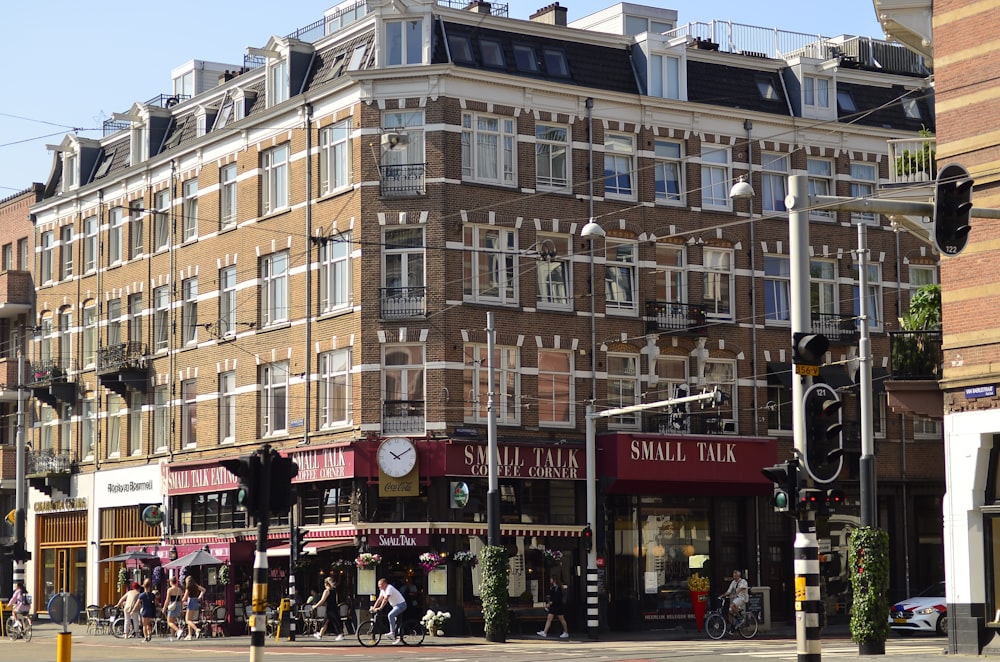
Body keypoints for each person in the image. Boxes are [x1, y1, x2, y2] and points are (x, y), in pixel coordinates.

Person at [370, 577, 406, 644]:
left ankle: (392, 633)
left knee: (390, 615)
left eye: (380, 585)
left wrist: (380, 608)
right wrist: (374, 608)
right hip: (395, 605)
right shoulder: (382, 590)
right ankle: (399, 638)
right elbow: (379, 599)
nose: (378, 586)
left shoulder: (389, 588)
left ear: (384, 584)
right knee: (397, 622)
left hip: (401, 605)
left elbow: (385, 599)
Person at [312, 576, 345, 641]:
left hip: (330, 608)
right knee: (326, 622)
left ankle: (340, 634)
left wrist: (315, 606)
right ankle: (320, 634)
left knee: (335, 621)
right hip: (333, 607)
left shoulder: (327, 591)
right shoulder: (334, 590)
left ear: (326, 584)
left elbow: (322, 600)